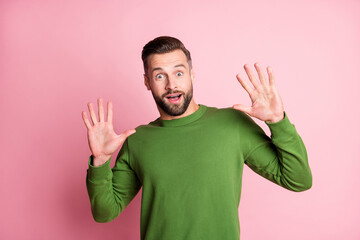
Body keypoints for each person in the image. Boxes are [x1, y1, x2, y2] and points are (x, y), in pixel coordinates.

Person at [82, 36, 312, 240]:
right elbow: (105, 213)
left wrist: (277, 121)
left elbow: (298, 180)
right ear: (147, 82)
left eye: (179, 73)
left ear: (192, 74)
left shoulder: (232, 124)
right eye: (160, 75)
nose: (171, 85)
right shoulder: (137, 140)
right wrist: (100, 161)